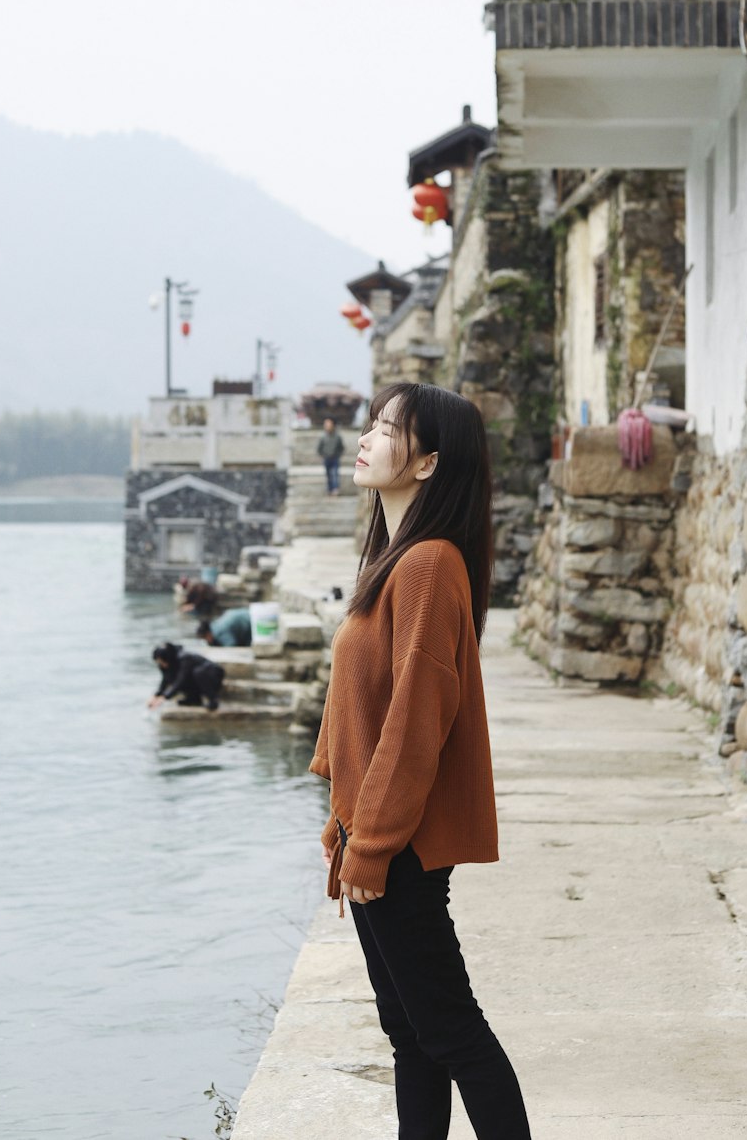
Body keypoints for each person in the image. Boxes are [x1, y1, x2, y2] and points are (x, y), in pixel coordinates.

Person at [309, 382, 532, 1140]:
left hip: (399, 842)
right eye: (371, 422)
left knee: (450, 1029)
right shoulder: (396, 557)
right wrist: (343, 817)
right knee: (412, 1032)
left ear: (429, 461)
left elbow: (414, 721)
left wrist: (369, 841)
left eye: (387, 427)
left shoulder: (430, 564)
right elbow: (359, 695)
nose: (367, 437)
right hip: (374, 828)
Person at [148, 643, 224, 711]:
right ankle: (194, 699)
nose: (162, 665)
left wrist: (165, 697)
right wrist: (156, 695)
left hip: (212, 676)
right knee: (174, 677)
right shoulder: (168, 665)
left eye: (162, 662)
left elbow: (181, 679)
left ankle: (213, 700)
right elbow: (165, 680)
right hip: (195, 678)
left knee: (198, 673)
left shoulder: (184, 658)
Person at [316, 416, 345, 496]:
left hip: (335, 458)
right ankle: (329, 489)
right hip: (326, 458)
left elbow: (341, 447)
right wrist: (323, 455)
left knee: (335, 474)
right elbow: (319, 448)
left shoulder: (337, 436)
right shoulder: (323, 437)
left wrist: (338, 455)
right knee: (328, 474)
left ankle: (335, 489)